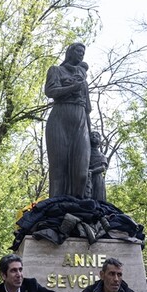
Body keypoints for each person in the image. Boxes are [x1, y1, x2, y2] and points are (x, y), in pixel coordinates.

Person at [44, 42, 91, 199]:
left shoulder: (82, 78)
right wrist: (72, 88)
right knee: (58, 171)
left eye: (83, 53)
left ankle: (78, 209)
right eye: (78, 51)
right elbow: (50, 91)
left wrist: (89, 131)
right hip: (59, 119)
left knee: (82, 173)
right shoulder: (56, 70)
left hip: (80, 121)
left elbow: (88, 108)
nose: (81, 54)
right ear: (70, 52)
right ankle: (55, 210)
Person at [87, 131, 108, 202]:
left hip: (97, 179)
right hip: (86, 178)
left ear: (100, 141)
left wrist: (92, 171)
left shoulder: (102, 156)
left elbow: (103, 168)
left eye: (96, 136)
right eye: (92, 135)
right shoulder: (86, 154)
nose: (94, 136)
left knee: (98, 199)